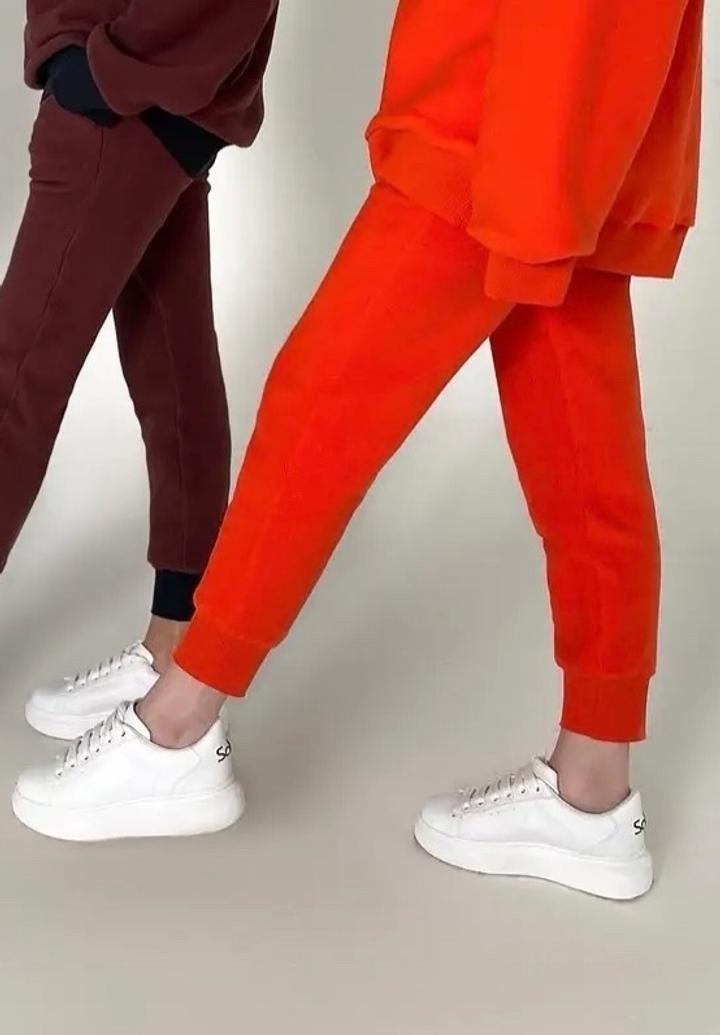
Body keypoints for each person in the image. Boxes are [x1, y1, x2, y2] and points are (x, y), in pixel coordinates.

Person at [14, 0, 704, 900]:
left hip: (509, 107)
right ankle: (592, 790)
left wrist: (535, 166)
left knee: (322, 404)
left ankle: (178, 725)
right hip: (566, 108)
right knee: (581, 442)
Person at [3, 1, 279, 740]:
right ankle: (175, 649)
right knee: (173, 363)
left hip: (124, 85)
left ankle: (179, 651)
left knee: (18, 372)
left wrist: (103, 67)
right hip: (154, 83)